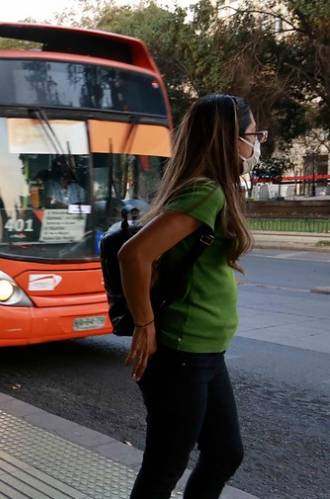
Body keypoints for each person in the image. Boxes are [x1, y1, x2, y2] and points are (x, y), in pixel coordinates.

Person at [119, 94, 261, 499]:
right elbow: (135, 255)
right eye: (253, 135)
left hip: (204, 353)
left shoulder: (212, 190)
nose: (257, 144)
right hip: (182, 353)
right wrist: (144, 324)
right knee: (166, 465)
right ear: (229, 139)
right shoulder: (206, 193)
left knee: (223, 453)